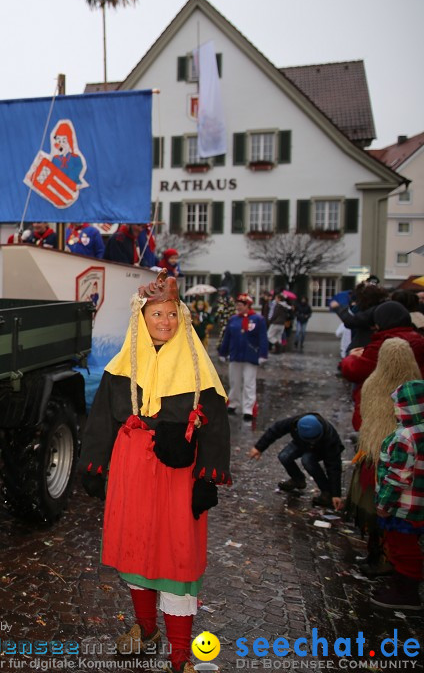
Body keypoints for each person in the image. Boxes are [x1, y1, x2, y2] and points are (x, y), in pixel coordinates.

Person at [78, 270, 230, 673]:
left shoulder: (199, 369)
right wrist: (94, 465)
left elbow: (215, 424)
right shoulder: (121, 366)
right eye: (156, 314)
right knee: (136, 551)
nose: (165, 321)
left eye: (171, 314)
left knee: (177, 558)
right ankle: (146, 630)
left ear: (182, 317)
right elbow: (101, 422)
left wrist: (208, 477)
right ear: (141, 319)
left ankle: (180, 657)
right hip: (133, 474)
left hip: (178, 478)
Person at [345, 338, 420, 577]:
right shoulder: (416, 385)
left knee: (375, 507)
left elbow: (360, 417)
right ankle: (390, 559)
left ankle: (380, 557)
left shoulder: (372, 384)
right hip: (411, 459)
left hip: (377, 453)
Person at [371, 379, 424, 610]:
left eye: (398, 405)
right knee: (409, 545)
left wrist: (383, 504)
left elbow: (397, 476)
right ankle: (401, 586)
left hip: (402, 506)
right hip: (418, 505)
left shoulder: (406, 436)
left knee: (402, 547)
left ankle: (406, 594)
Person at [339, 300, 424, 432]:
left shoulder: (384, 345)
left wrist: (352, 356)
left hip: (382, 412)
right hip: (413, 409)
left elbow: (354, 370)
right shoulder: (419, 339)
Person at [248, 413, 344, 508]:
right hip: (301, 443)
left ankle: (326, 492)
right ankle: (297, 479)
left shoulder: (330, 438)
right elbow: (276, 429)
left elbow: (334, 466)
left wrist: (336, 494)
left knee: (307, 460)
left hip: (320, 448)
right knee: (284, 456)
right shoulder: (294, 423)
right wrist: (259, 447)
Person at [217, 293, 268, 422]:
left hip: (251, 355)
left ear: (247, 305)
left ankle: (248, 409)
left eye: (240, 305)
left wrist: (263, 354)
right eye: (237, 305)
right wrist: (223, 352)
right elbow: (227, 337)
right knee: (234, 381)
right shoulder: (233, 319)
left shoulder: (258, 319)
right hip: (235, 355)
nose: (238, 307)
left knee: (249, 383)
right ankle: (233, 403)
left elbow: (263, 338)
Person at [332, 283, 388, 352]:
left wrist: (338, 308)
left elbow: (350, 322)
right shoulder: (381, 308)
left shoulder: (371, 311)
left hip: (363, 347)